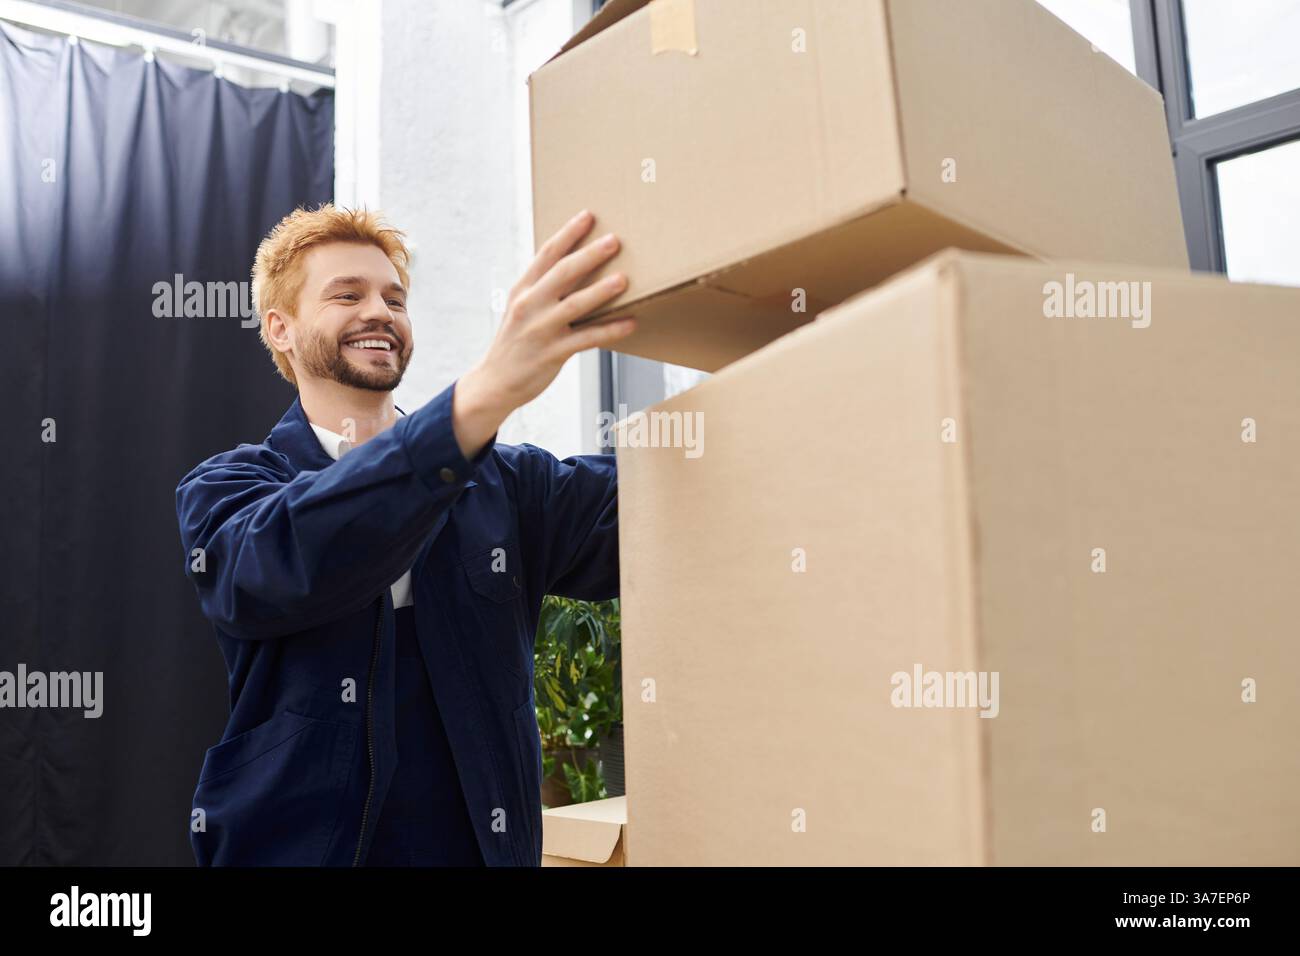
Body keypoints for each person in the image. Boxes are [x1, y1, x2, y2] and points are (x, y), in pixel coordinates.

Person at [175, 204, 634, 866]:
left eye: (395, 298)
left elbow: (655, 514)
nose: (380, 312)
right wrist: (477, 401)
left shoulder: (508, 484)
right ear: (280, 328)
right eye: (347, 295)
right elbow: (288, 563)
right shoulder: (229, 491)